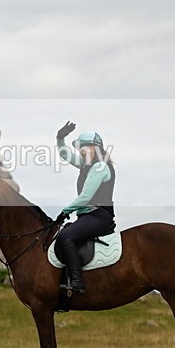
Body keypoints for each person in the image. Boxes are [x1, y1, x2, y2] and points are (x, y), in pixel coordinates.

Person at [55, 121, 116, 293]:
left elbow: (86, 197)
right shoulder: (86, 165)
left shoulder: (100, 167)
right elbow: (65, 154)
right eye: (79, 147)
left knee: (66, 236)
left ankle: (77, 282)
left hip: (99, 215)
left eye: (83, 147)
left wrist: (65, 211)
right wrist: (60, 138)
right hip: (88, 216)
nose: (80, 150)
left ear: (94, 147)